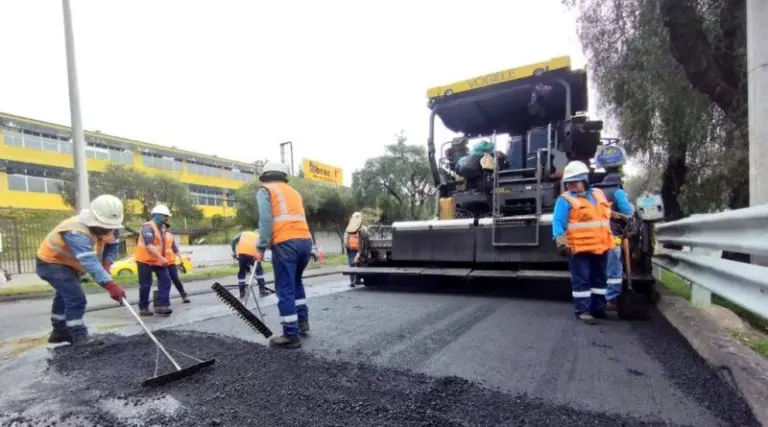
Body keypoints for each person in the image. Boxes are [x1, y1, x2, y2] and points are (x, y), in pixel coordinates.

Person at [36, 195, 127, 345]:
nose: (107, 230)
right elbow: (90, 261)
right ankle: (79, 337)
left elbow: (112, 246)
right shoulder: (75, 231)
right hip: (50, 262)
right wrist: (110, 285)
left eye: (109, 227)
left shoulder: (111, 229)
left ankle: (59, 332)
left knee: (65, 294)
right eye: (103, 226)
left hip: (69, 265)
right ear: (94, 219)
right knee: (76, 298)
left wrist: (106, 264)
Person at [255, 162, 313, 349]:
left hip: (286, 243)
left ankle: (290, 334)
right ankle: (302, 322)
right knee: (297, 283)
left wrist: (261, 246)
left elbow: (265, 219)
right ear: (283, 175)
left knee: (285, 287)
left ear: (265, 176)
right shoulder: (294, 192)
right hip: (305, 241)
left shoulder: (265, 190)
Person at [552, 161, 617, 324]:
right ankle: (582, 310)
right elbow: (558, 222)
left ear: (585, 181)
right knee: (582, 280)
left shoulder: (598, 194)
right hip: (579, 248)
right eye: (569, 182)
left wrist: (621, 218)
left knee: (600, 280)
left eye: (575, 181)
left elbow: (604, 213)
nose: (571, 185)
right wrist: (561, 241)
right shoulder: (565, 200)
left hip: (601, 246)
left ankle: (598, 308)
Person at [593, 146, 634, 316]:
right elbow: (628, 213)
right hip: (612, 238)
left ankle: (596, 301)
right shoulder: (618, 192)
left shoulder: (595, 192)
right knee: (614, 272)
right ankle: (610, 299)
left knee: (598, 270)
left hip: (595, 238)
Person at [135, 204, 173, 317]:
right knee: (145, 285)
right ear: (157, 215)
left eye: (167, 216)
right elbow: (149, 245)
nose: (167, 218)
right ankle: (143, 307)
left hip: (157, 261)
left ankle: (162, 305)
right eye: (165, 216)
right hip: (144, 261)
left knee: (166, 280)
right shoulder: (148, 227)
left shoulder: (161, 229)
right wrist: (162, 258)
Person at [231, 230, 268, 298]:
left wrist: (234, 251)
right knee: (259, 271)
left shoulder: (243, 233)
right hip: (253, 254)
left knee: (242, 272)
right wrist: (261, 257)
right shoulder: (259, 236)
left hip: (242, 254)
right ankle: (262, 290)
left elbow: (233, 240)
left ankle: (242, 292)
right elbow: (263, 247)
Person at [164, 223, 190, 303]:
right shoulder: (156, 236)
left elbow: (174, 248)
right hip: (161, 263)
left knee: (175, 279)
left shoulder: (170, 236)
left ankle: (184, 295)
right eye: (162, 226)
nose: (163, 228)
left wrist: (180, 257)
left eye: (165, 227)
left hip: (171, 262)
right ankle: (164, 300)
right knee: (164, 281)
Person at [344, 212, 363, 287]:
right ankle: (353, 281)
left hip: (358, 250)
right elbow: (346, 238)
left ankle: (356, 280)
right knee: (353, 264)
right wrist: (347, 246)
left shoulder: (361, 228)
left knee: (358, 265)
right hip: (352, 249)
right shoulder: (351, 228)